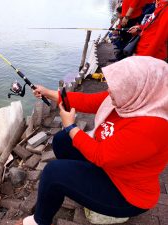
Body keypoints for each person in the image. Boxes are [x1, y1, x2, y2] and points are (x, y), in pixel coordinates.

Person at [21, 56, 168, 225]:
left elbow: (100, 155)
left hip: (126, 193)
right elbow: (87, 101)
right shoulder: (131, 99)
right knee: (62, 140)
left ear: (141, 89)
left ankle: (39, 221)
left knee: (53, 172)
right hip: (111, 169)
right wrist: (48, 92)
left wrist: (71, 127)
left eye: (116, 88)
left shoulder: (153, 127)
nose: (109, 91)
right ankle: (75, 184)